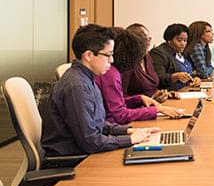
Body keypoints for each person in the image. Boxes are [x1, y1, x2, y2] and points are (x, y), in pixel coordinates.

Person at [41, 24, 155, 156]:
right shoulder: (77, 87)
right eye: (108, 55)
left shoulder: (87, 79)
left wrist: (129, 131)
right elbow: (90, 141)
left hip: (84, 152)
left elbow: (97, 123)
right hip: (73, 160)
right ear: (89, 55)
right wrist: (130, 139)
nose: (112, 60)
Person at [95, 28, 182, 124]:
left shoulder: (113, 71)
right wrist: (157, 110)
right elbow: (120, 115)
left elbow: (115, 102)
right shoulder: (110, 74)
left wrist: (139, 99)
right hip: (112, 127)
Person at [121, 23, 172, 103]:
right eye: (144, 40)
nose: (148, 43)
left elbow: (151, 88)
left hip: (154, 106)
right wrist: (145, 101)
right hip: (137, 110)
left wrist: (162, 94)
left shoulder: (147, 57)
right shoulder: (127, 63)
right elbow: (121, 98)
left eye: (149, 39)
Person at [150, 23, 200, 90]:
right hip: (170, 94)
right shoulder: (158, 53)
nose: (183, 44)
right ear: (169, 40)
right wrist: (175, 76)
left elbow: (189, 73)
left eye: (185, 40)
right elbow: (158, 78)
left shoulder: (181, 53)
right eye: (179, 40)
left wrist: (195, 79)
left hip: (186, 91)